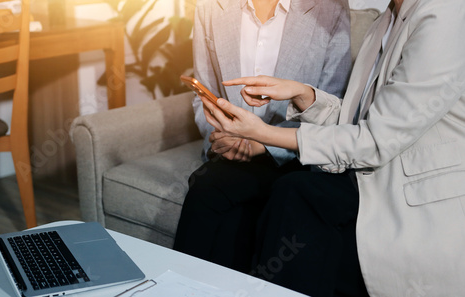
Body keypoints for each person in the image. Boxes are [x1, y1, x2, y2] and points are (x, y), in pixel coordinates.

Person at [199, 0, 465, 296]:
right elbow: (358, 120)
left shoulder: (447, 14)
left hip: (413, 201)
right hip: (371, 176)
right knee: (231, 186)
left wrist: (264, 134)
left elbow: (374, 139)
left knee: (297, 194)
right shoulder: (386, 20)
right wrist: (304, 95)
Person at [174, 0, 351, 273]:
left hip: (296, 151)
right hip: (231, 148)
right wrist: (223, 137)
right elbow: (203, 95)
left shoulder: (330, 8)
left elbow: (331, 106)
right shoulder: (211, 5)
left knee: (212, 190)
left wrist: (263, 144)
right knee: (217, 197)